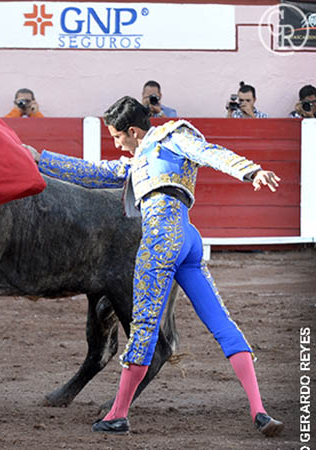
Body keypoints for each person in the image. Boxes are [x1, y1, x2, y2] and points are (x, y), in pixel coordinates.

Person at [26, 96, 283, 438]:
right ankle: (259, 411)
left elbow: (210, 153)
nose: (117, 143)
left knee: (144, 327)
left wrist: (250, 171)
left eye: (118, 136)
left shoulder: (172, 137)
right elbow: (95, 172)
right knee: (221, 322)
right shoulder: (143, 158)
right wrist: (42, 159)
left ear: (133, 131)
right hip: (188, 237)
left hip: (161, 237)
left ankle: (117, 415)